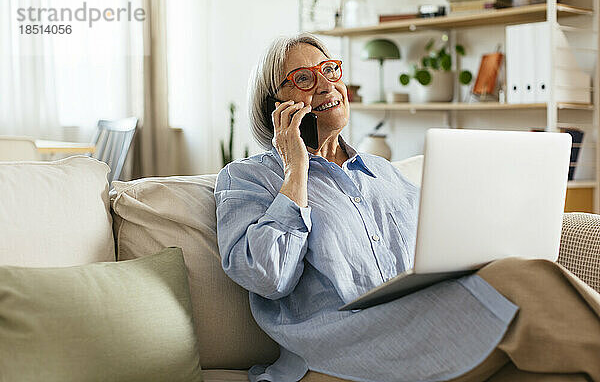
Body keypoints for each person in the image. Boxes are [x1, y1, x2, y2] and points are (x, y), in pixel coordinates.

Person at [214, 33, 600, 382]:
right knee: (523, 279)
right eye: (304, 78)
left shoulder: (384, 174)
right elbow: (268, 275)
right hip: (337, 353)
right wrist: (296, 168)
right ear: (275, 106)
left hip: (421, 325)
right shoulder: (248, 178)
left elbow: (435, 253)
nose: (327, 84)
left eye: (330, 70)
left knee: (557, 369)